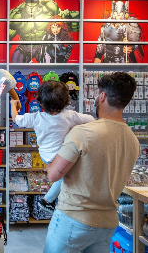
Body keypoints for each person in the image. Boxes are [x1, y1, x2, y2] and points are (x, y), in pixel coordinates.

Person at [43, 72, 139, 253]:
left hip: (74, 219)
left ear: (102, 96)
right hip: (107, 224)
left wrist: (48, 162)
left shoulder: (83, 133)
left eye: (97, 94)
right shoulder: (132, 139)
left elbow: (53, 174)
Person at [10, 81, 95, 213]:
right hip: (62, 157)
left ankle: (51, 200)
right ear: (67, 101)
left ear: (40, 102)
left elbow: (16, 119)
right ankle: (47, 200)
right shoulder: (70, 116)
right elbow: (91, 119)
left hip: (45, 156)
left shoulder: (36, 117)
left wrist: (13, 105)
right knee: (68, 176)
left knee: (66, 177)